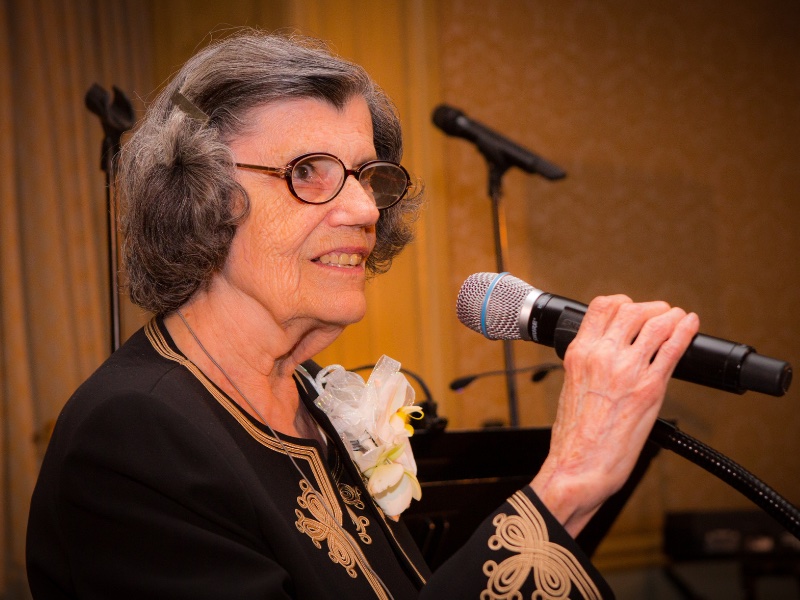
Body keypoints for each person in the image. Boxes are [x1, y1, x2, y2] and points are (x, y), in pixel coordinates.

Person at [26, 31, 699, 599]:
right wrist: (568, 485)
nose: (365, 210)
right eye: (310, 171)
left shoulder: (312, 395)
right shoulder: (131, 438)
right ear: (197, 194)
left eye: (366, 176)